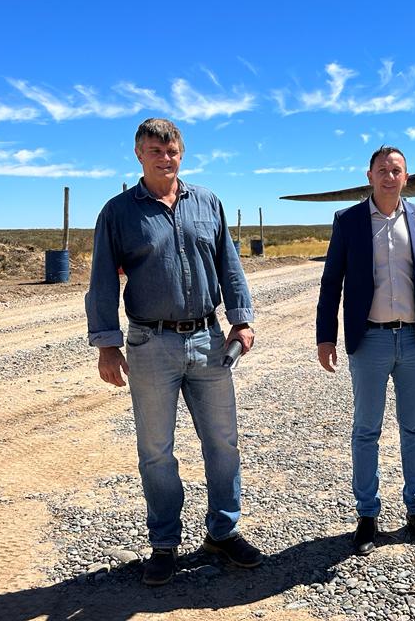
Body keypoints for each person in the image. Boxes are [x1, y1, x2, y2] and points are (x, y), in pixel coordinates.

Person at [85, 118, 263, 586]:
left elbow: (230, 264)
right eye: (154, 151)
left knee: (223, 443)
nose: (164, 157)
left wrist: (241, 320)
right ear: (139, 156)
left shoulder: (207, 203)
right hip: (149, 343)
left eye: (172, 150)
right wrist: (107, 343)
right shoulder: (119, 212)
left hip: (208, 341)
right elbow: (102, 280)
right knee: (156, 450)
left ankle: (223, 532)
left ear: (181, 153)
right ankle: (164, 543)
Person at [316, 145, 415, 557]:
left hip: (414, 340)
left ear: (406, 178)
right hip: (370, 340)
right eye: (382, 170)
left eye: (397, 170)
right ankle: (367, 517)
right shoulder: (349, 221)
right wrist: (326, 337)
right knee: (366, 431)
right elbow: (331, 283)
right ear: (369, 175)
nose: (389, 176)